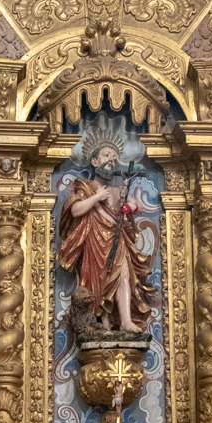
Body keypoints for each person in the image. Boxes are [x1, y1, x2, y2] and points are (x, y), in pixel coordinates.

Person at [58, 140, 156, 333]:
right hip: (94, 241)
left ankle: (126, 321)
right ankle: (104, 323)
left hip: (117, 238)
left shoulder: (118, 191)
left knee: (124, 275)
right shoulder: (85, 187)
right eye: (106, 156)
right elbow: (75, 210)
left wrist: (131, 207)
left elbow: (136, 204)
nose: (111, 160)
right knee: (97, 282)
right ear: (94, 162)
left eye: (114, 158)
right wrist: (96, 197)